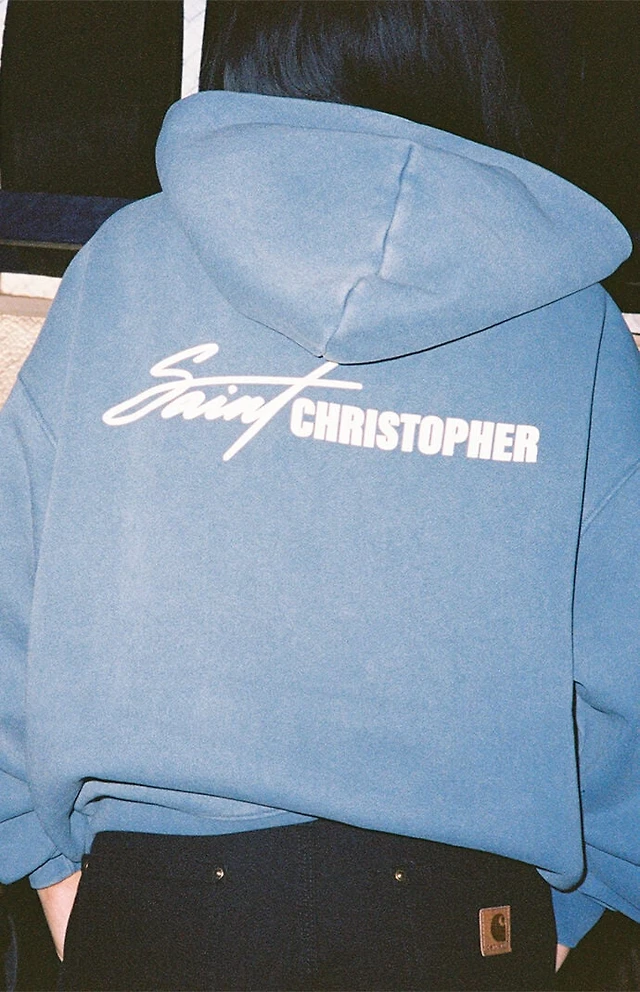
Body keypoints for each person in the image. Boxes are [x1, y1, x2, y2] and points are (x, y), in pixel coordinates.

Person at [1, 2, 638, 989]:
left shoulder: (130, 265)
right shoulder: (570, 325)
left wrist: (48, 870)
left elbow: (13, 590)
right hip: (461, 918)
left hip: (158, 902)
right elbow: (625, 658)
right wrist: (571, 908)